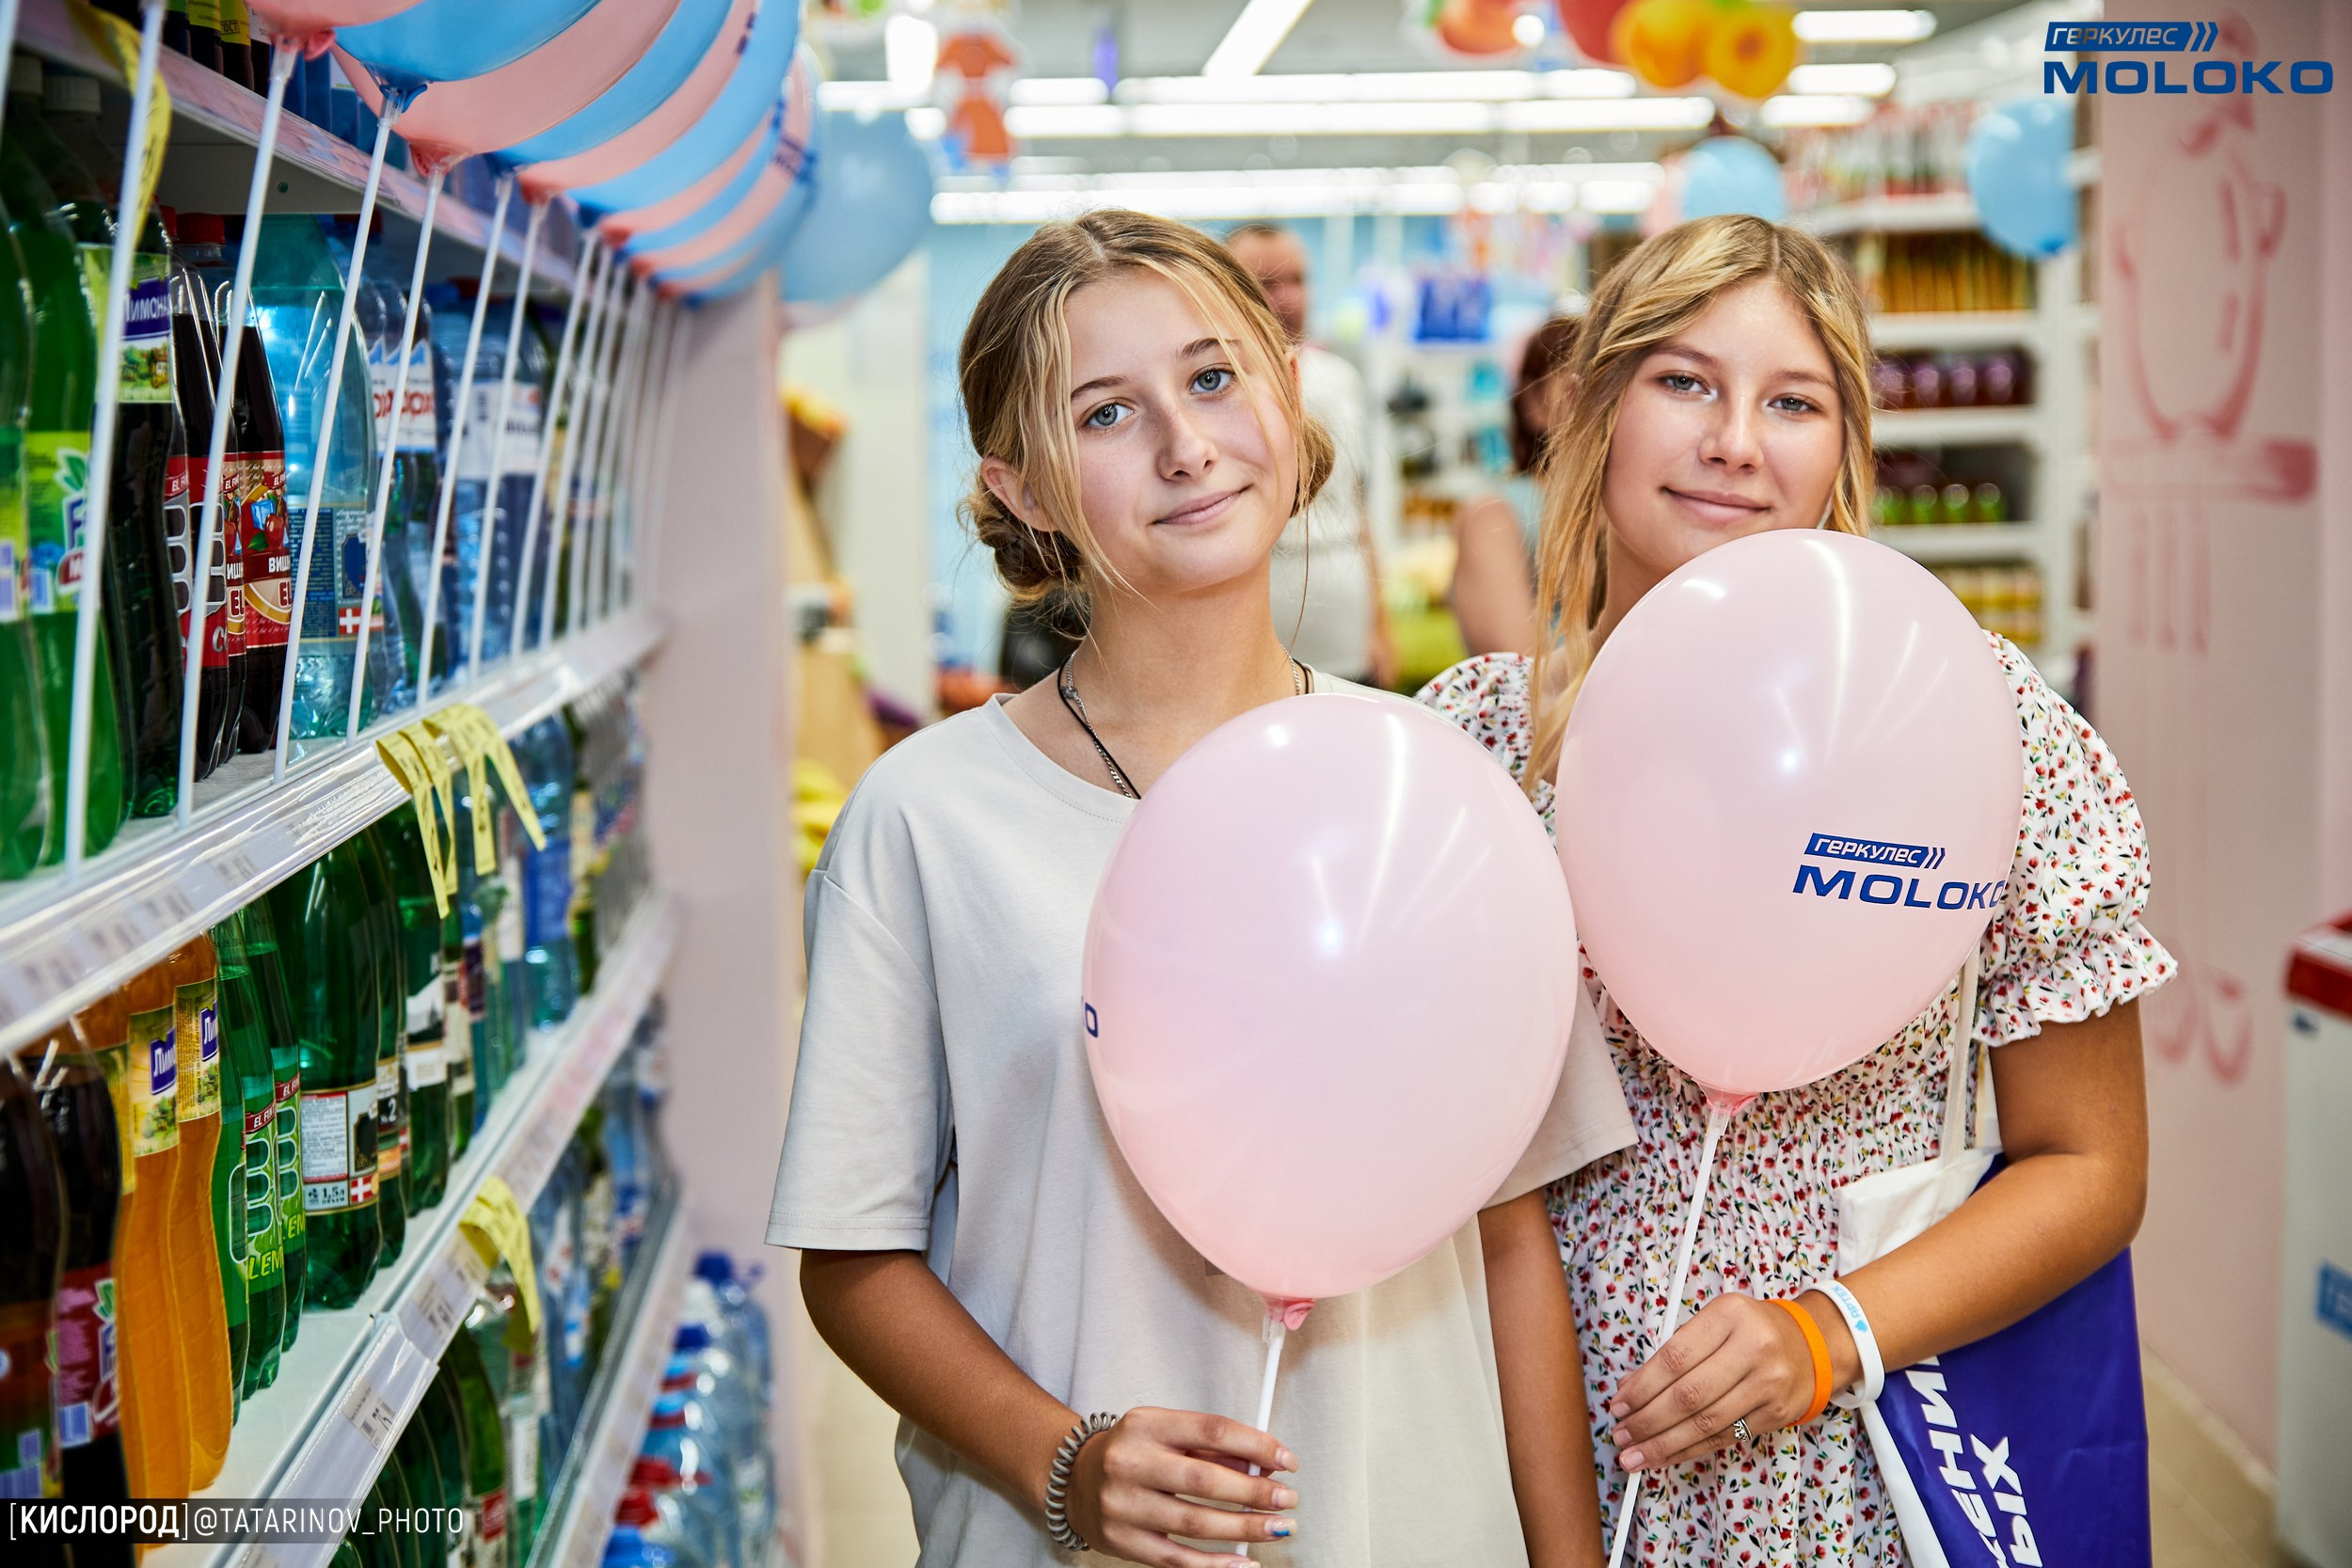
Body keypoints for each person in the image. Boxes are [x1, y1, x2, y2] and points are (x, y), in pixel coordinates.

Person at [769, 209, 1634, 1568]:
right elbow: (853, 1257)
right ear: (1023, 491)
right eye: (1106, 413)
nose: (1185, 444)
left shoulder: (1433, 784)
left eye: (1214, 377)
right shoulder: (927, 819)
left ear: (1285, 395)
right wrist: (1065, 1460)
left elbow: (1514, 1233)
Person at [1418, 214, 2173, 1563]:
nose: (1734, 442)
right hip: (1517, 1460)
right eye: (1685, 381)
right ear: (1588, 406)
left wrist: (1827, 1332)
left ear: (1844, 450)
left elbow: (2091, 1162)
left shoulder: (1972, 726)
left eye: (1793, 401)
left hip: (1846, 1472)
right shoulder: (1471, 747)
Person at [1223, 222, 1396, 688]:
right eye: (1268, 283)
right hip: (1251, 641)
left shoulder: (1342, 381)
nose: (1288, 299)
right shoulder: (1213, 392)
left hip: (1346, 632)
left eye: (1298, 280)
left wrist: (1381, 626)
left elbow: (1358, 506)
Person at [1452, 316, 1580, 658]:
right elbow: (1519, 669)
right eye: (1575, 389)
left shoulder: (1632, 510)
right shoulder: (1494, 515)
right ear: (1533, 405)